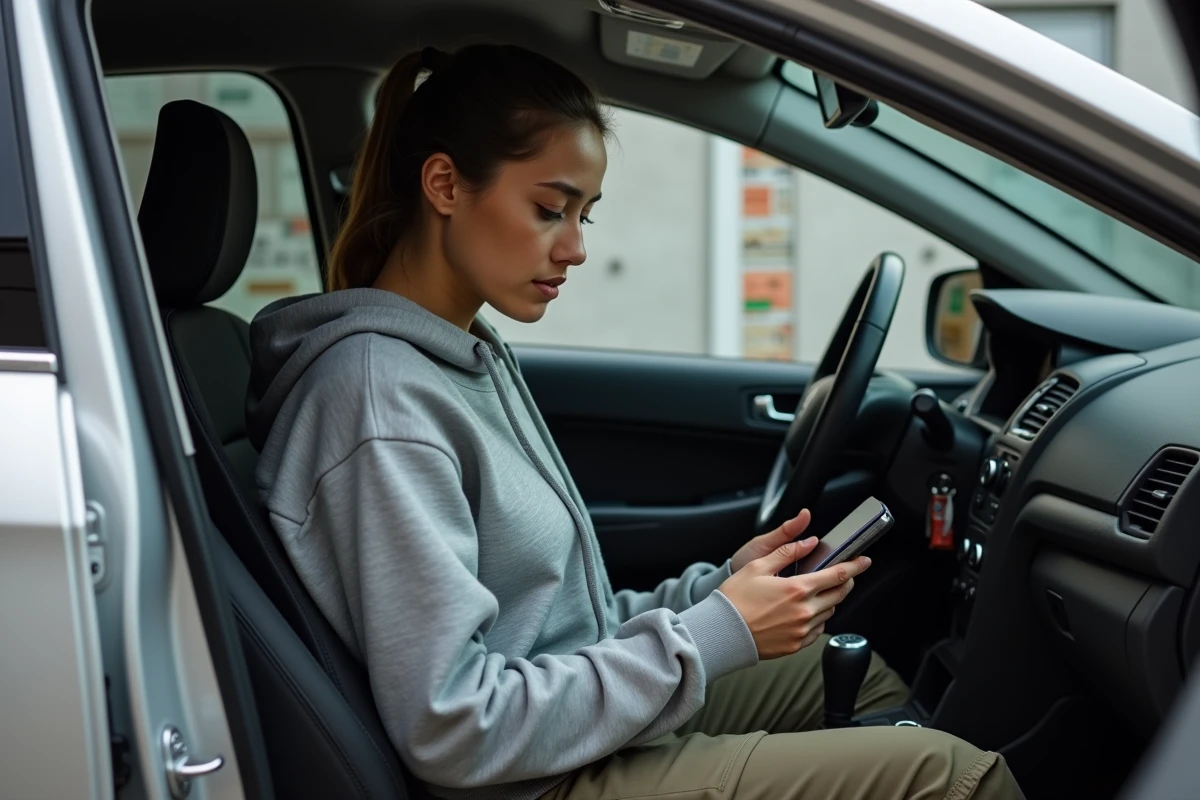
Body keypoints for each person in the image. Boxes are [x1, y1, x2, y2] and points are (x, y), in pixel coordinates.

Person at [246, 43, 1024, 800]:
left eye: (586, 214)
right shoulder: (378, 402)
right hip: (529, 778)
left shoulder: (463, 356)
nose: (576, 247)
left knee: (841, 673)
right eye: (550, 209)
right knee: (956, 778)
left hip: (565, 728)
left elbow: (559, 625)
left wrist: (717, 594)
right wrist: (715, 634)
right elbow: (457, 728)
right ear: (445, 185)